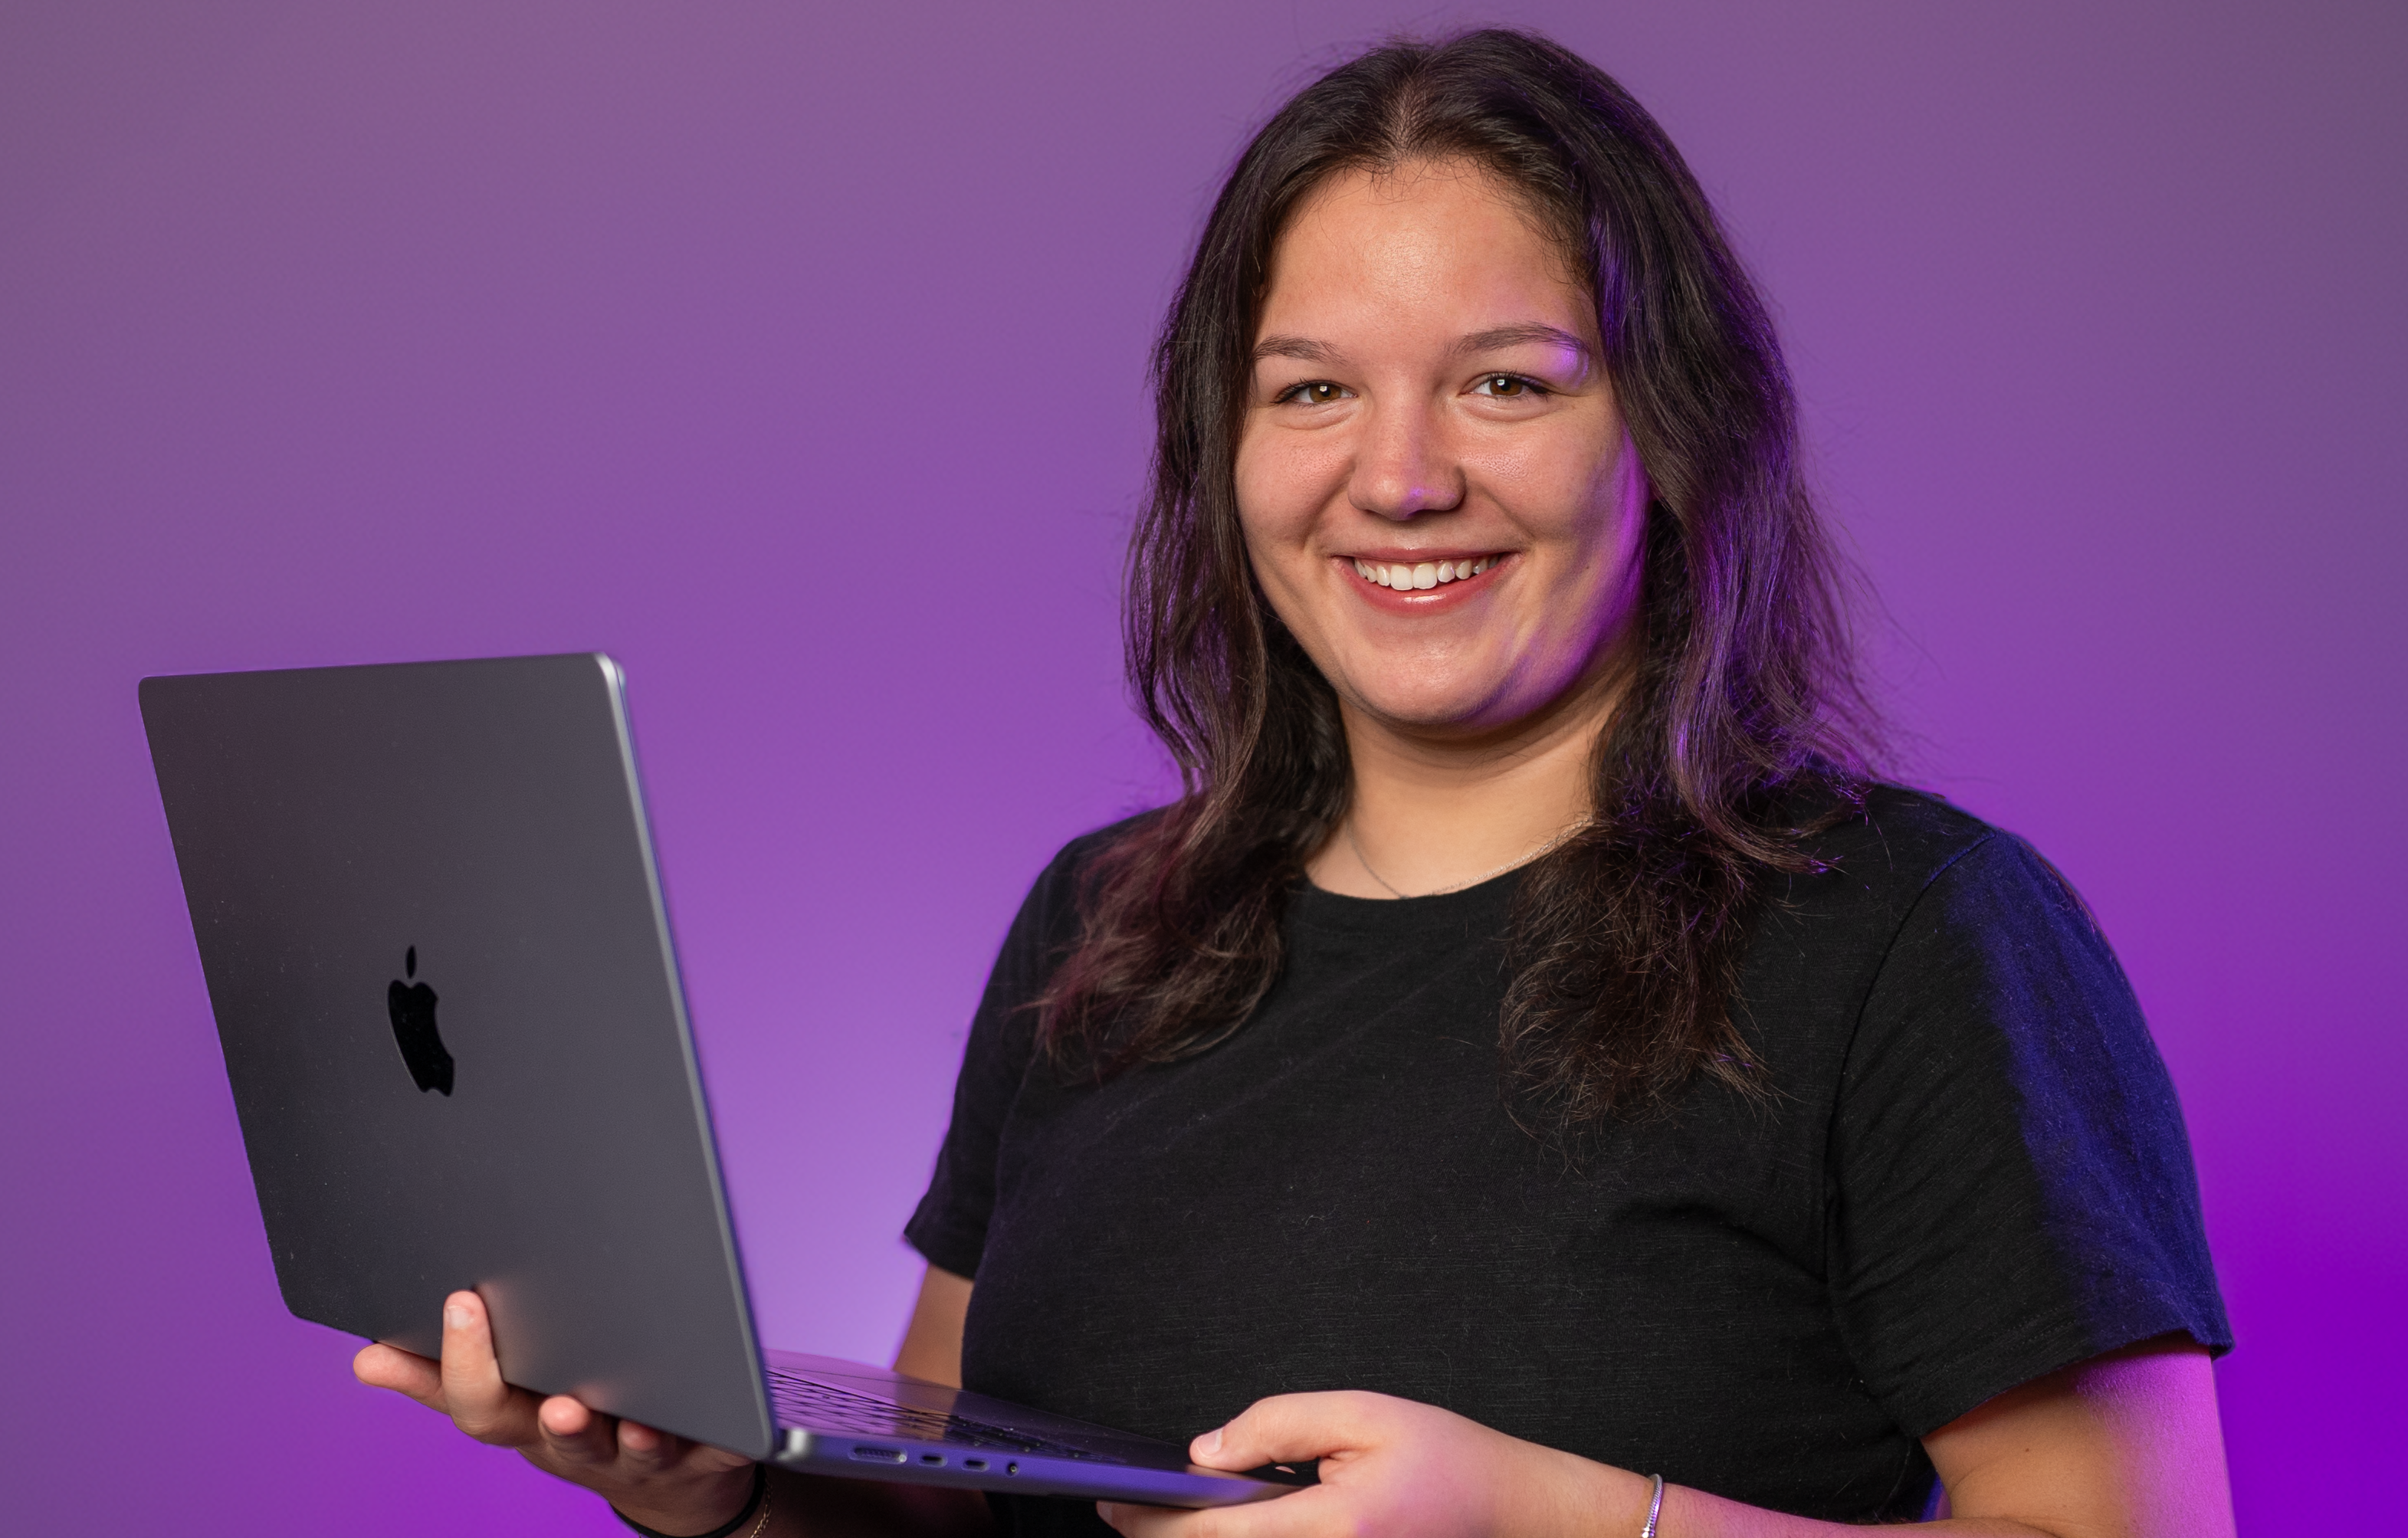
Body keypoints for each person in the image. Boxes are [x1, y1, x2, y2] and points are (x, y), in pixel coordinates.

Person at [356, 28, 2236, 1537]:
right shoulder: (1102, 926)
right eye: (1312, 389)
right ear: (1225, 449)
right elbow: (944, 1510)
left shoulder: (1911, 934)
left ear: (1665, 434)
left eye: (1506, 383)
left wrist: (1550, 1518)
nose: (1399, 479)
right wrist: (722, 1492)